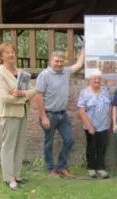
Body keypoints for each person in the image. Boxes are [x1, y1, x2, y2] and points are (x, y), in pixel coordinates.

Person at [35, 45, 85, 177]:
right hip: (49, 115)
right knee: (49, 143)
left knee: (69, 140)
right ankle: (51, 169)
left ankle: (62, 167)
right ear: (50, 61)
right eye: (56, 61)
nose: (59, 63)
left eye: (61, 61)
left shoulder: (66, 71)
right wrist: (43, 117)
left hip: (63, 115)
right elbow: (38, 97)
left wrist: (85, 46)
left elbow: (79, 64)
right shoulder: (44, 75)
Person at [0, 43, 36, 191]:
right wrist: (23, 96)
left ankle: (17, 175)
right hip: (9, 114)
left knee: (19, 145)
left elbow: (33, 90)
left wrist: (21, 94)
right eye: (7, 53)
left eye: (12, 52)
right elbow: (4, 98)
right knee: (9, 146)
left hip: (23, 113)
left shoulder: (21, 73)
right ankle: (9, 178)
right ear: (1, 57)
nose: (11, 55)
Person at [77, 70, 111, 179]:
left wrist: (110, 122)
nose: (96, 80)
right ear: (90, 80)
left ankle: (101, 168)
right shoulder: (84, 92)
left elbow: (109, 106)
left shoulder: (105, 90)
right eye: (94, 79)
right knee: (91, 147)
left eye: (98, 79)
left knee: (102, 147)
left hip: (104, 125)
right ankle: (91, 168)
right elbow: (81, 110)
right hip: (91, 126)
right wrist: (89, 126)